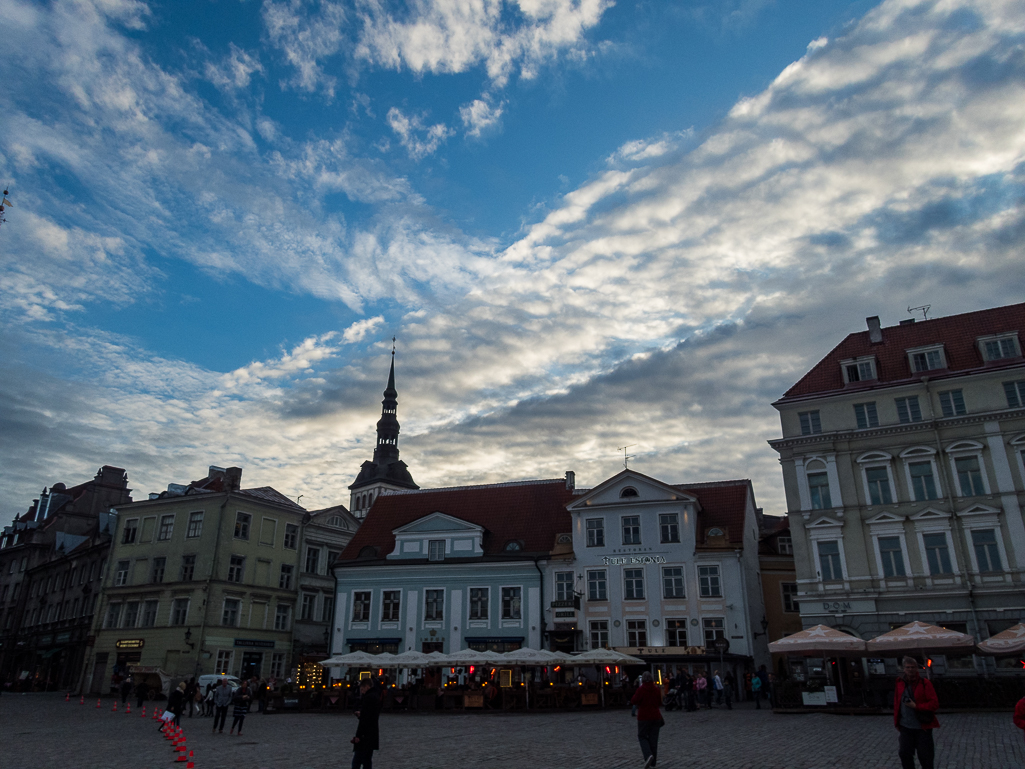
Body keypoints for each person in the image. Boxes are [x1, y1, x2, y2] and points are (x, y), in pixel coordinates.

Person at [894, 656, 939, 769]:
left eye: (912, 667)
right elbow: (896, 702)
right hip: (905, 726)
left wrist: (917, 706)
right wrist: (897, 721)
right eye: (907, 667)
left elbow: (934, 704)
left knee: (926, 757)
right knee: (904, 753)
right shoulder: (899, 682)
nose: (910, 670)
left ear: (917, 669)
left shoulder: (925, 683)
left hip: (922, 727)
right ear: (903, 669)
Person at [630, 672, 664, 769]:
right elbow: (659, 702)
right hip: (655, 716)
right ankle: (653, 762)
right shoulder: (656, 690)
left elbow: (634, 701)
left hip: (644, 717)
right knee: (654, 739)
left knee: (642, 736)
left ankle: (648, 755)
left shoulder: (641, 690)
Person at [352, 678, 382, 769]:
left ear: (366, 687)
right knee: (367, 760)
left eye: (362, 689)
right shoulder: (376, 696)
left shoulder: (368, 698)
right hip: (372, 733)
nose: (362, 692)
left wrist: (358, 735)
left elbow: (365, 719)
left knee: (357, 760)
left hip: (365, 735)